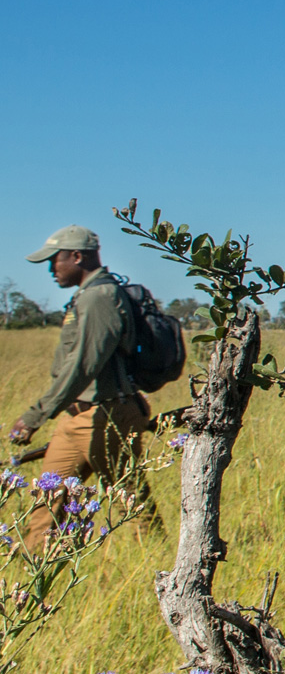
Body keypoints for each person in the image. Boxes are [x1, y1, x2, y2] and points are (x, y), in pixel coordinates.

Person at [9, 225, 152, 548]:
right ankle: (32, 582)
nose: (50, 269)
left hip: (107, 414)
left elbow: (82, 367)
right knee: (46, 503)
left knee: (131, 503)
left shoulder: (101, 297)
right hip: (77, 417)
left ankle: (159, 569)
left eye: (54, 261)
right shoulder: (86, 296)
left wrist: (36, 415)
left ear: (77, 256)